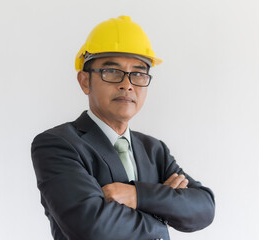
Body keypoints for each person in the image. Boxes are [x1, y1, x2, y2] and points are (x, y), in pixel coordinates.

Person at [31, 15, 215, 240]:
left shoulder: (154, 150)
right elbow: (92, 227)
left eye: (138, 74)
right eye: (112, 72)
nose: (127, 84)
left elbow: (204, 208)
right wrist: (162, 212)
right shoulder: (57, 144)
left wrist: (137, 195)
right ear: (85, 81)